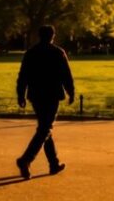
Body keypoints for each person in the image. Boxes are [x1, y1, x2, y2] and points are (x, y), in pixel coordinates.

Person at [16, 25, 75, 180]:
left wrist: (21, 94)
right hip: (52, 94)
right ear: (52, 36)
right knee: (45, 129)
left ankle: (53, 164)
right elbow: (66, 75)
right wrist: (71, 91)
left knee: (44, 128)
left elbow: (23, 75)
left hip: (36, 95)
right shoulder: (58, 52)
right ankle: (25, 159)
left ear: (39, 36)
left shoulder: (31, 53)